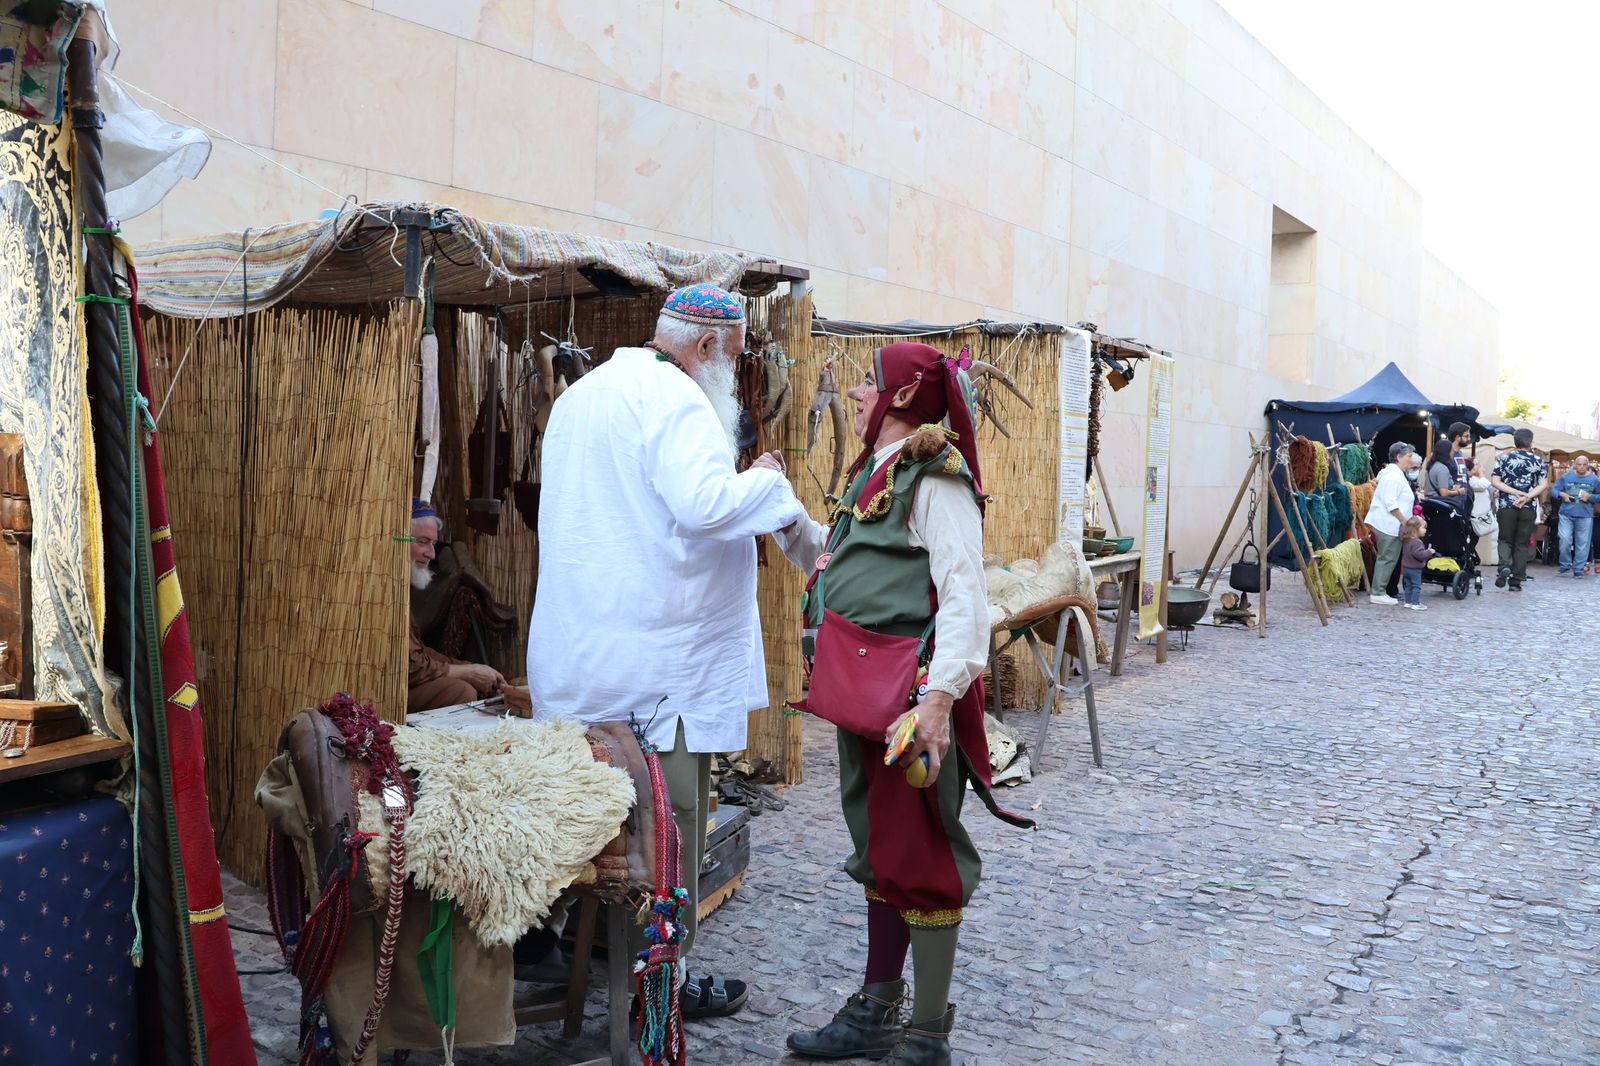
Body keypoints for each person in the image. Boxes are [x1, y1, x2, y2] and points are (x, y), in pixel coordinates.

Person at [526, 283, 805, 1019]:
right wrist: (766, 484)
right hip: (661, 673)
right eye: (734, 358)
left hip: (585, 655)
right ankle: (661, 993)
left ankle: (560, 946)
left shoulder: (585, 395)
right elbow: (706, 505)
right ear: (706, 347)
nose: (734, 374)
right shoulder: (678, 400)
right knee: (666, 832)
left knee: (588, 818)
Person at [769, 342, 1031, 1066]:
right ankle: (877, 1010)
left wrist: (938, 705)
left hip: (909, 701)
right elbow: (833, 562)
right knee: (881, 848)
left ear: (904, 396)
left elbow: (965, 596)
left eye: (869, 382)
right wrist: (784, 513)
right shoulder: (877, 472)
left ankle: (928, 1035)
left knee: (922, 856)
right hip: (864, 694)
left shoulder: (936, 479)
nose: (857, 393)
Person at [408, 500, 505, 713]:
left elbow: (419, 652)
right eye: (423, 542)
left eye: (433, 544)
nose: (432, 554)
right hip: (377, 693)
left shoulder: (399, 592)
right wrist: (467, 673)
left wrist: (468, 667)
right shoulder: (382, 595)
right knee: (460, 691)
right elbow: (411, 667)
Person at [1490, 428, 1549, 591]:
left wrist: (1514, 492)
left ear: (1515, 441)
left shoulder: (1503, 458)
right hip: (1528, 506)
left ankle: (1504, 566)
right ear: (1531, 442)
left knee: (1505, 539)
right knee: (1522, 543)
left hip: (1507, 505)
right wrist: (1527, 496)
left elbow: (1495, 481)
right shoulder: (1538, 461)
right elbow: (1543, 484)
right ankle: (1516, 581)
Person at [1365, 442, 1417, 605]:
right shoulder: (1393, 476)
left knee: (1388, 558)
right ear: (1399, 457)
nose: (1411, 459)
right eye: (1409, 456)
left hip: (1391, 524)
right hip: (1388, 524)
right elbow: (1390, 502)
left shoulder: (1396, 474)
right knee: (1387, 558)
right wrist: (1404, 520)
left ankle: (1380, 591)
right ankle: (1378, 592)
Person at [1551, 453, 1599, 577]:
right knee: (1564, 540)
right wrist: (1562, 494)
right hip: (1566, 514)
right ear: (1574, 465)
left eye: (1584, 464)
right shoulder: (1566, 477)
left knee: (1583, 544)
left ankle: (1578, 569)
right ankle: (1565, 565)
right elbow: (1553, 490)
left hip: (1585, 515)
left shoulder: (1594, 479)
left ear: (1588, 466)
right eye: (1579, 464)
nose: (1581, 467)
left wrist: (1590, 497)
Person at [1399, 516, 1436, 611]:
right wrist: (1429, 552)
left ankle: (1408, 602)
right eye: (1423, 528)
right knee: (1416, 586)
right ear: (1415, 529)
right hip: (1414, 569)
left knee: (1408, 585)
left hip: (1406, 568)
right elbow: (1419, 555)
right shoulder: (1417, 542)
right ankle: (1415, 603)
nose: (1425, 530)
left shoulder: (1407, 540)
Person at [1468, 458, 1498, 565]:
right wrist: (1481, 474)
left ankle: (1469, 560)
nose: (1479, 466)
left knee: (1474, 539)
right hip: (1474, 516)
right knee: (1472, 539)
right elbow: (1484, 484)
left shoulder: (1478, 480)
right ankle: (1468, 561)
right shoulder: (1471, 480)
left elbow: (1488, 487)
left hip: (1481, 515)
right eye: (1476, 464)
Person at [1425, 438, 1468, 511]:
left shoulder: (1432, 466)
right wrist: (1458, 492)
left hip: (1431, 503)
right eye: (1451, 450)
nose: (1453, 452)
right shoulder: (1442, 469)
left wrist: (1452, 488)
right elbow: (1444, 493)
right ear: (1447, 452)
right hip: (1439, 506)